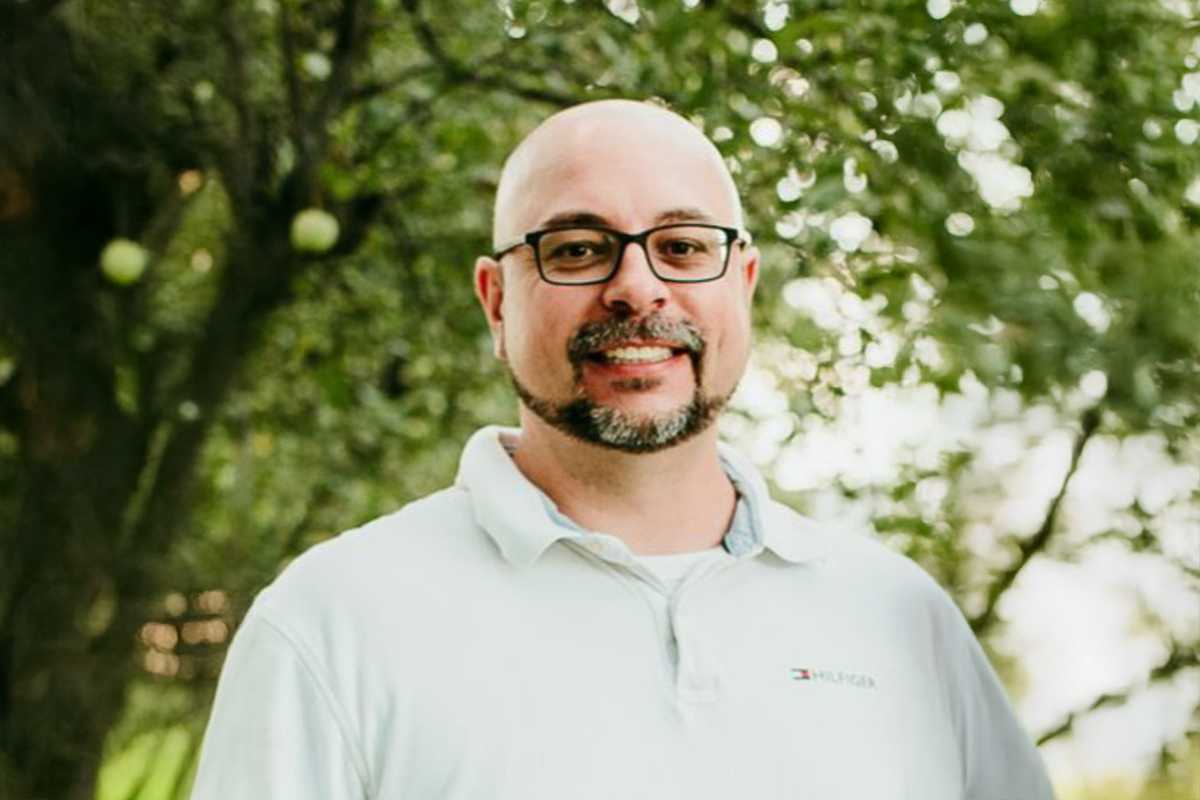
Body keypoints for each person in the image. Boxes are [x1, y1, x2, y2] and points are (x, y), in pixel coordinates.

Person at [190, 99, 1056, 800]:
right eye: (576, 250)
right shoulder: (330, 622)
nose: (636, 288)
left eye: (683, 247)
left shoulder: (901, 619)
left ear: (743, 285)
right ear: (497, 303)